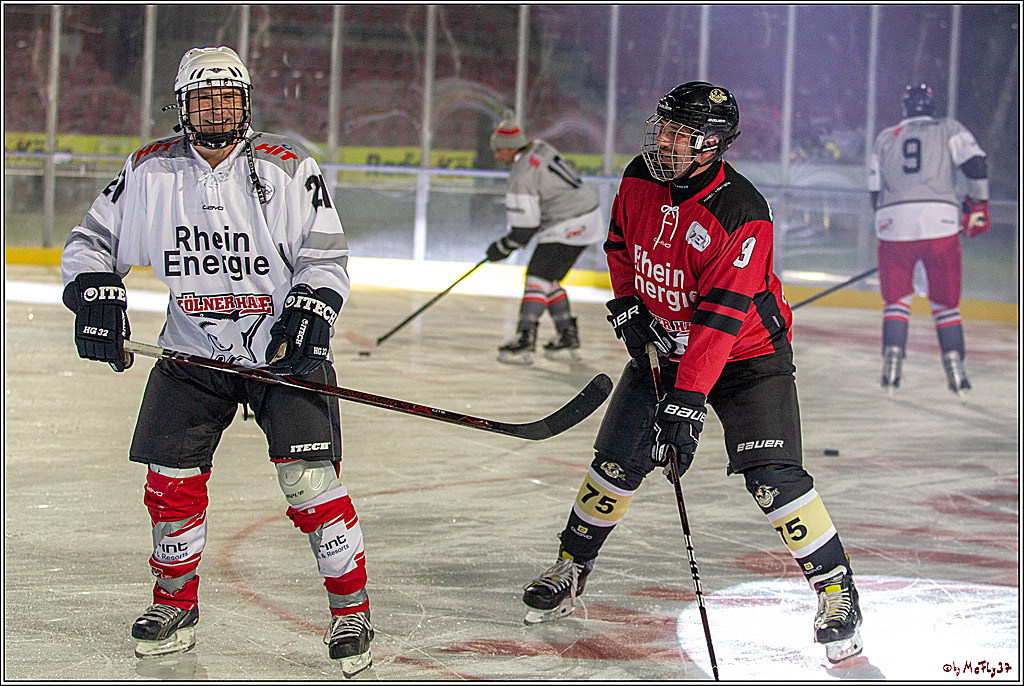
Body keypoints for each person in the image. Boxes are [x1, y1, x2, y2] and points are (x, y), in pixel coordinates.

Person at [520, 82, 864, 665]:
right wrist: (629, 306)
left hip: (746, 355)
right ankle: (571, 566)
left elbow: (719, 322)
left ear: (712, 145)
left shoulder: (741, 213)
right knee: (614, 466)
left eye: (682, 132)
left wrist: (684, 405)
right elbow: (620, 247)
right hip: (666, 346)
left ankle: (837, 591)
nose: (665, 140)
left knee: (773, 478)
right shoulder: (639, 177)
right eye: (664, 126)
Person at [60, 46, 373, 676]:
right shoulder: (149, 170)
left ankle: (350, 609)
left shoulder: (287, 168)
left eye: (228, 96)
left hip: (281, 351)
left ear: (246, 102)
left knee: (311, 485)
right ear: (181, 106)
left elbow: (326, 256)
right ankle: (174, 606)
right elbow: (91, 242)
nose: (217, 108)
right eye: (203, 97)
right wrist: (94, 294)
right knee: (171, 484)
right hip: (189, 350)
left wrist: (313, 309)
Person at [868, 83, 990, 402]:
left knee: (896, 300)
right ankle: (955, 369)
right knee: (945, 302)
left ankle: (891, 367)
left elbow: (874, 194)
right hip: (940, 224)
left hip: (893, 224)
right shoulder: (948, 128)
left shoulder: (884, 137)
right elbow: (976, 164)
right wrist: (978, 204)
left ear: (905, 107)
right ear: (931, 106)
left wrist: (897, 227)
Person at [485, 110, 604, 364]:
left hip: (569, 222)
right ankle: (566, 336)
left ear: (510, 148)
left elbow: (523, 230)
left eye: (498, 150)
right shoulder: (539, 147)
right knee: (548, 281)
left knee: (536, 278)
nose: (496, 155)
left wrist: (501, 247)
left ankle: (524, 341)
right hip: (588, 217)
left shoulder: (521, 175)